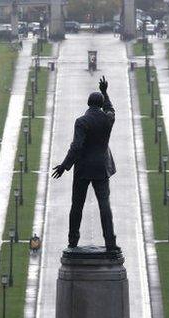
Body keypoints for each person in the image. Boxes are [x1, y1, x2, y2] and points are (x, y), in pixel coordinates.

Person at [52, 76, 119, 251]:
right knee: (105, 205)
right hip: (102, 167)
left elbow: (76, 147)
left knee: (77, 205)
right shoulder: (107, 119)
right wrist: (105, 92)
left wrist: (64, 166)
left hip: (83, 168)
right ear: (101, 103)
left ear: (88, 104)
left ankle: (73, 240)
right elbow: (111, 109)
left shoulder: (82, 122)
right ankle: (110, 242)